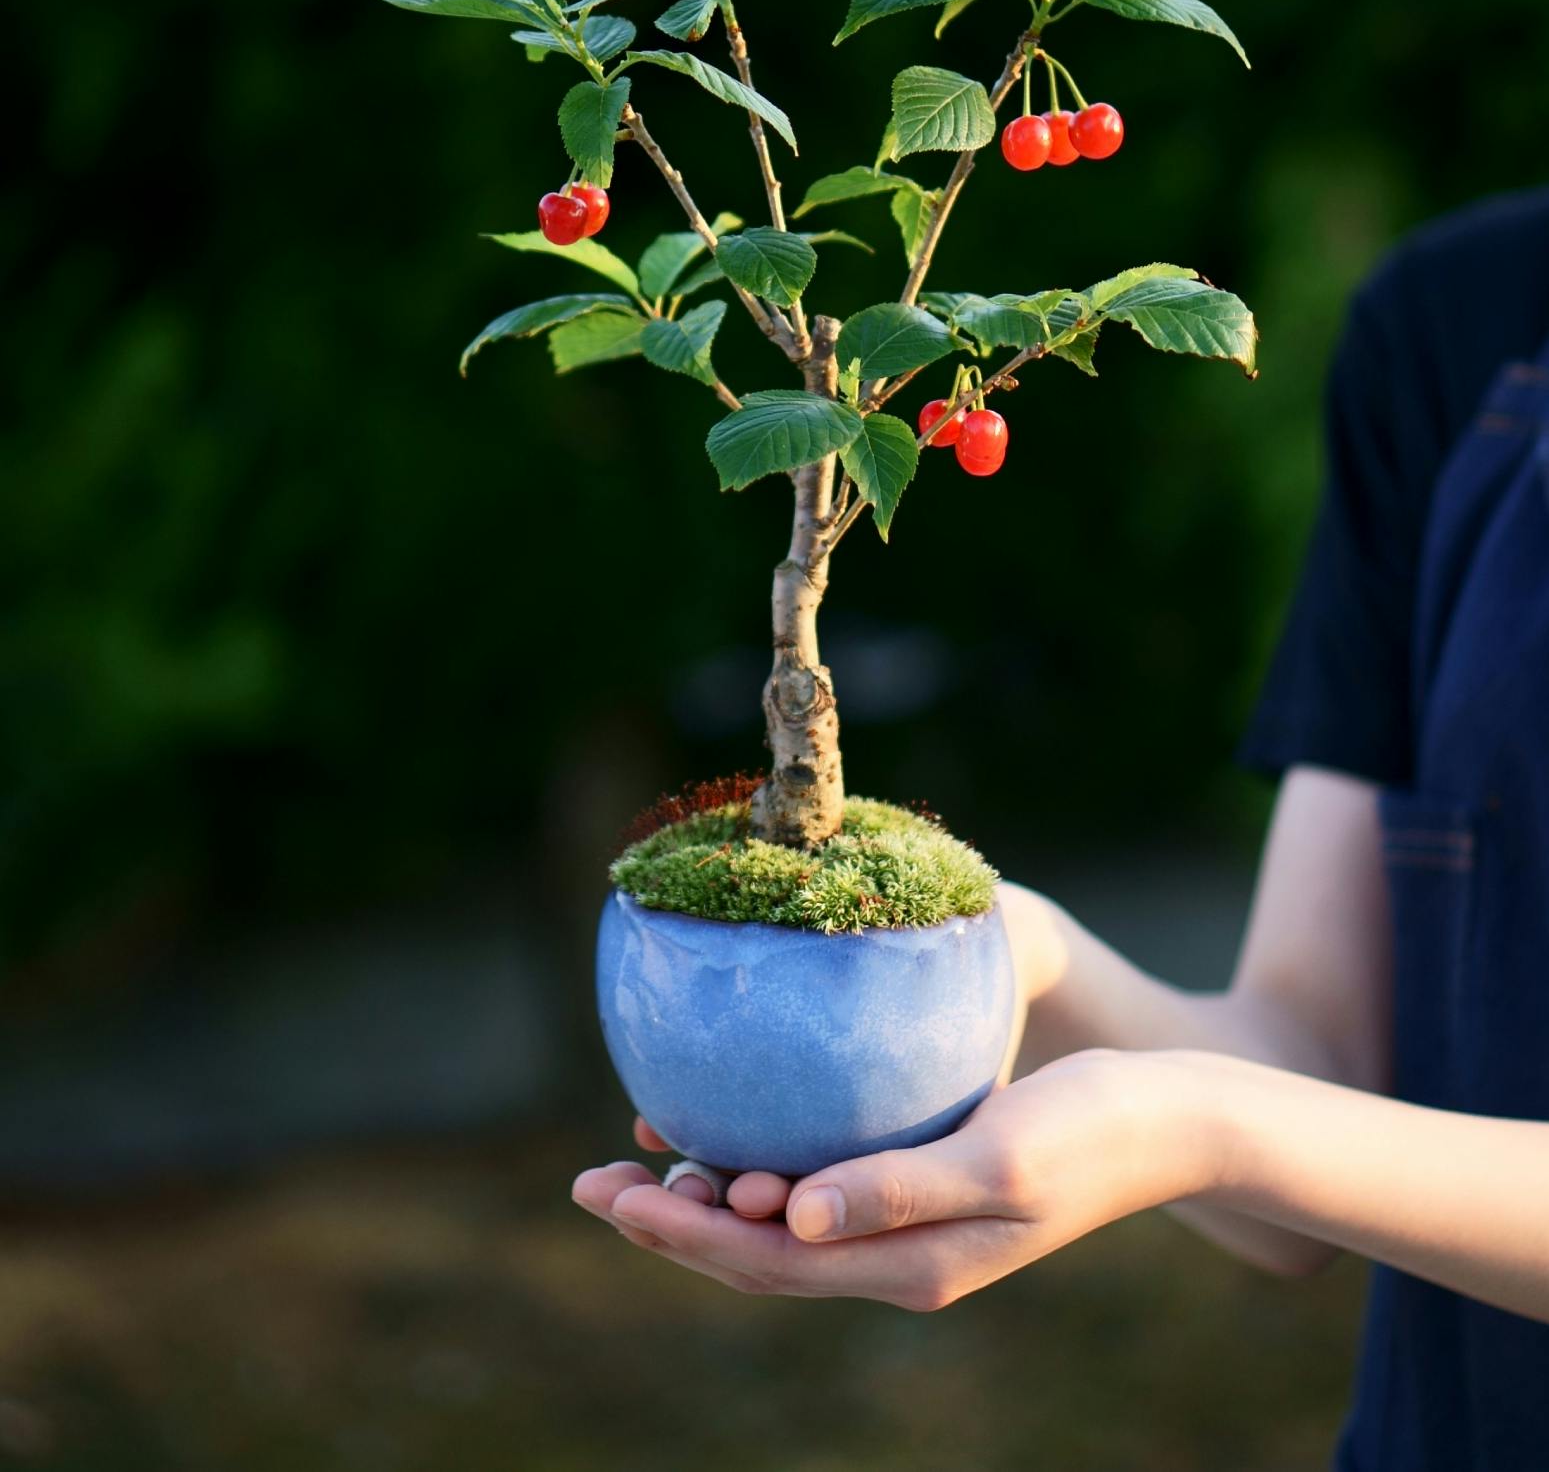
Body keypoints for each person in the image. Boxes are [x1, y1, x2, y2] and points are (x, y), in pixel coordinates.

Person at [572, 187, 1549, 1472]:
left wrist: (1190, 1124)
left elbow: (1250, 1123)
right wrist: (1025, 957)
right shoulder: (1459, 317)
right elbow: (1314, 1096)